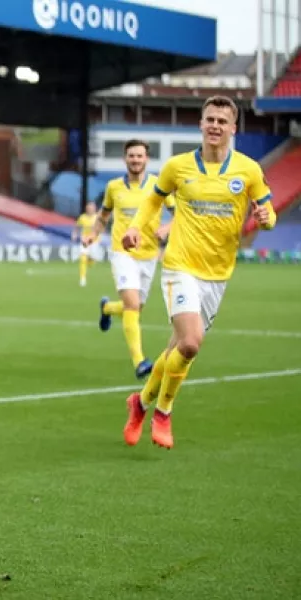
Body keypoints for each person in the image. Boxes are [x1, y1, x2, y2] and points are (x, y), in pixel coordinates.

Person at [121, 96, 276, 449]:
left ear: (233, 128)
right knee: (190, 343)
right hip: (179, 266)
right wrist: (135, 227)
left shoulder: (248, 170)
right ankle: (163, 411)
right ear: (201, 124)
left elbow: (267, 211)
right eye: (210, 119)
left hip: (217, 275)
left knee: (175, 349)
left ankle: (139, 403)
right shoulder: (178, 167)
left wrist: (267, 220)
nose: (215, 126)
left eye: (223, 121)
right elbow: (153, 201)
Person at [84, 140, 174, 380]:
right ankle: (139, 362)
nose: (135, 160)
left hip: (148, 255)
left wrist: (168, 226)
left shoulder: (157, 185)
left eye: (140, 156)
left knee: (134, 308)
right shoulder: (114, 187)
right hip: (122, 253)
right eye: (131, 156)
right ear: (125, 159)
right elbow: (103, 216)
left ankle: (107, 308)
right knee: (133, 305)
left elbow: (179, 213)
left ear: (147, 159)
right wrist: (92, 234)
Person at [72, 201, 98, 287]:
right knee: (83, 258)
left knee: (92, 260)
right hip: (85, 241)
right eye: (89, 208)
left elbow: (101, 228)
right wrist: (75, 234)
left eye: (92, 208)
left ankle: (89, 262)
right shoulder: (82, 217)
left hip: (94, 242)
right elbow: (77, 226)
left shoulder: (97, 217)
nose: (90, 209)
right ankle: (82, 279)